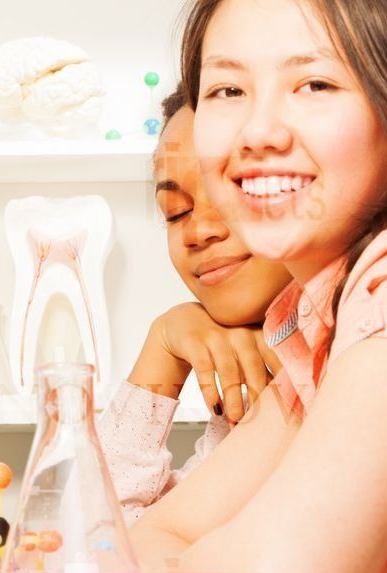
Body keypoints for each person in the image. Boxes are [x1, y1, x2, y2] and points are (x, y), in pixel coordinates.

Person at [129, 0, 387, 573]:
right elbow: (139, 542)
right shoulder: (320, 322)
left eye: (315, 83)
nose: (258, 131)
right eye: (228, 89)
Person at [98, 84, 291, 522]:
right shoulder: (253, 362)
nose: (199, 231)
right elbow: (95, 534)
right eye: (175, 212)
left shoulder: (356, 359)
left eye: (235, 190)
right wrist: (162, 349)